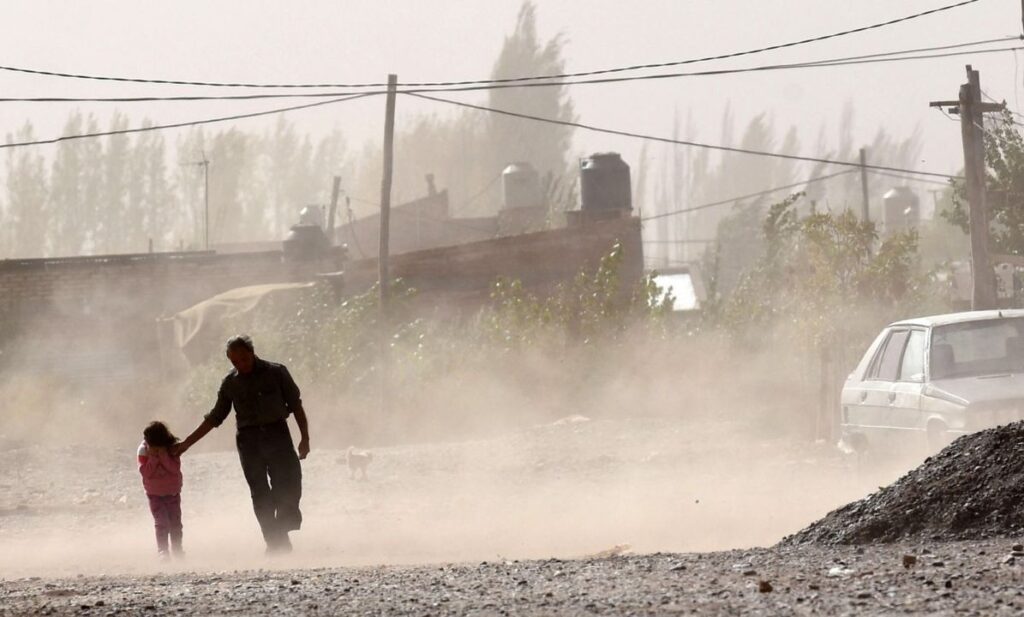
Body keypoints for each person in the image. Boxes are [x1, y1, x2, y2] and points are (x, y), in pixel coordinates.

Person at [174, 334, 310, 554]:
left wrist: (305, 438)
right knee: (260, 493)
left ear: (252, 353)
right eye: (235, 362)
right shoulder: (230, 383)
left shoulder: (276, 372)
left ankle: (281, 530)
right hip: (249, 442)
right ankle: (274, 543)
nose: (241, 365)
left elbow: (295, 405)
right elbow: (216, 416)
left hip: (278, 435)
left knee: (290, 484)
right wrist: (187, 443)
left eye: (244, 359)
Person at [138, 421, 184, 560]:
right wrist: (153, 458)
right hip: (154, 495)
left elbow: (174, 469)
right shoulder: (144, 450)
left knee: (175, 523)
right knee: (161, 523)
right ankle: (163, 551)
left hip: (173, 493)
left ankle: (177, 549)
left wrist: (163, 456)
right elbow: (146, 473)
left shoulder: (172, 449)